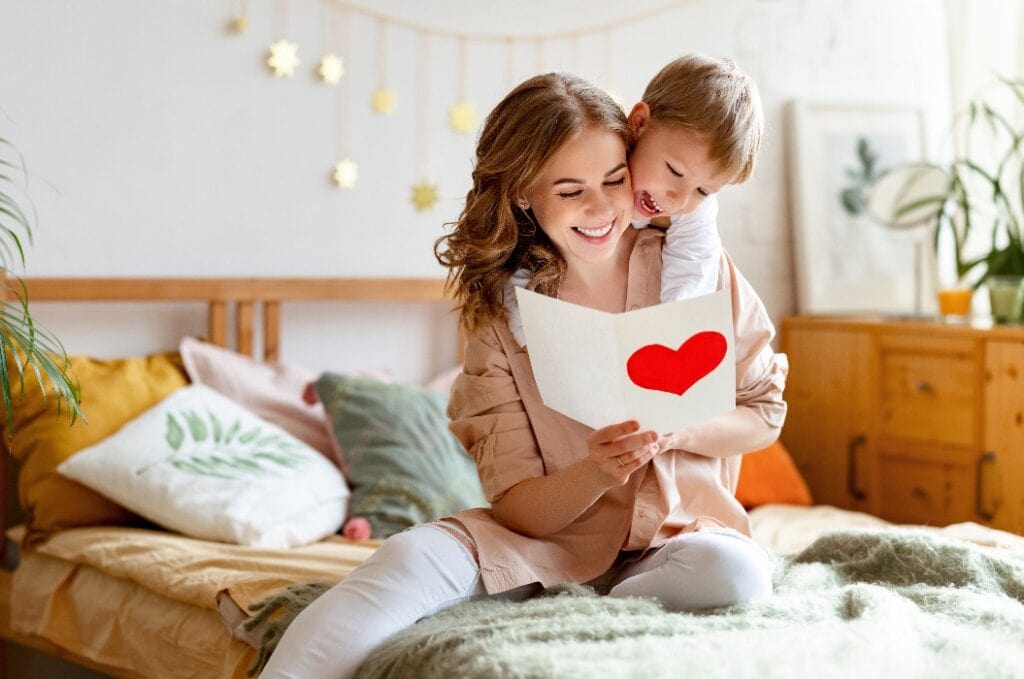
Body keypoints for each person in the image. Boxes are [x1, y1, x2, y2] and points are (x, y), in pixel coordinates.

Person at [259, 72, 786, 679]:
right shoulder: (502, 315)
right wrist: (595, 471)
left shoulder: (697, 272)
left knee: (740, 574)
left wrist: (681, 431)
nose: (600, 208)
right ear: (524, 196)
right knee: (406, 560)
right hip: (540, 546)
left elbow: (765, 413)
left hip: (678, 544)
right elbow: (516, 509)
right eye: (570, 191)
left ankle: (575, 617)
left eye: (615, 180)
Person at [628, 53, 763, 304]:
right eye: (675, 171)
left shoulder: (696, 214)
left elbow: (692, 276)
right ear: (639, 123)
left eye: (703, 191)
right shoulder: (598, 160)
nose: (679, 199)